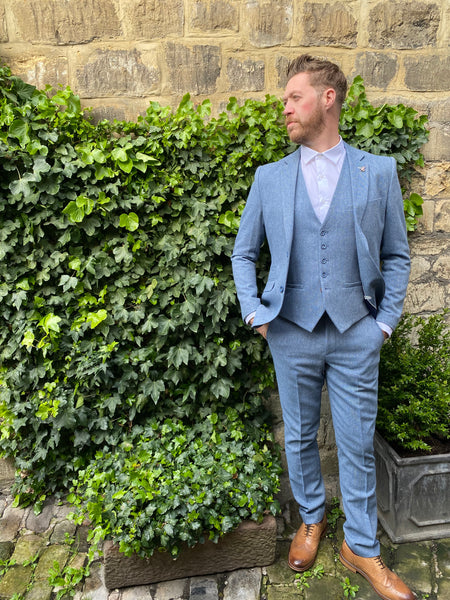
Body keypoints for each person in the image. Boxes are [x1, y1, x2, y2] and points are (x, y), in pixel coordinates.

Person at [231, 55, 414, 600]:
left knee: (358, 443)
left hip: (357, 329)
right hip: (290, 331)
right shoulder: (270, 178)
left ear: (328, 98)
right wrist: (255, 315)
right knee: (301, 437)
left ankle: (361, 546)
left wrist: (383, 323)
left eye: (294, 97)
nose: (284, 107)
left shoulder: (377, 172)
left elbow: (397, 255)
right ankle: (311, 519)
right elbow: (244, 253)